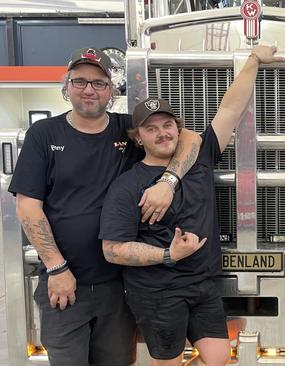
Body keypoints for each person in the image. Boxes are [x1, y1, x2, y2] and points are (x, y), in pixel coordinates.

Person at [9, 47, 202, 366]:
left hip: (119, 286)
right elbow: (28, 208)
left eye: (99, 83)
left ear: (111, 90)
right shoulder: (44, 134)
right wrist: (57, 267)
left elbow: (191, 138)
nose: (89, 89)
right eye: (80, 81)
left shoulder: (127, 130)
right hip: (66, 284)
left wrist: (168, 181)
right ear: (66, 86)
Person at [98, 45, 284, 366]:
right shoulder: (127, 185)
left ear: (178, 127)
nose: (162, 133)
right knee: (167, 362)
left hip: (203, 284)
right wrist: (168, 255)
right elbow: (112, 250)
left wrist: (253, 60)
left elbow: (229, 111)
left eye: (167, 125)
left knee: (218, 357)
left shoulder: (198, 156)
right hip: (158, 291)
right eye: (151, 128)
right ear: (138, 137)